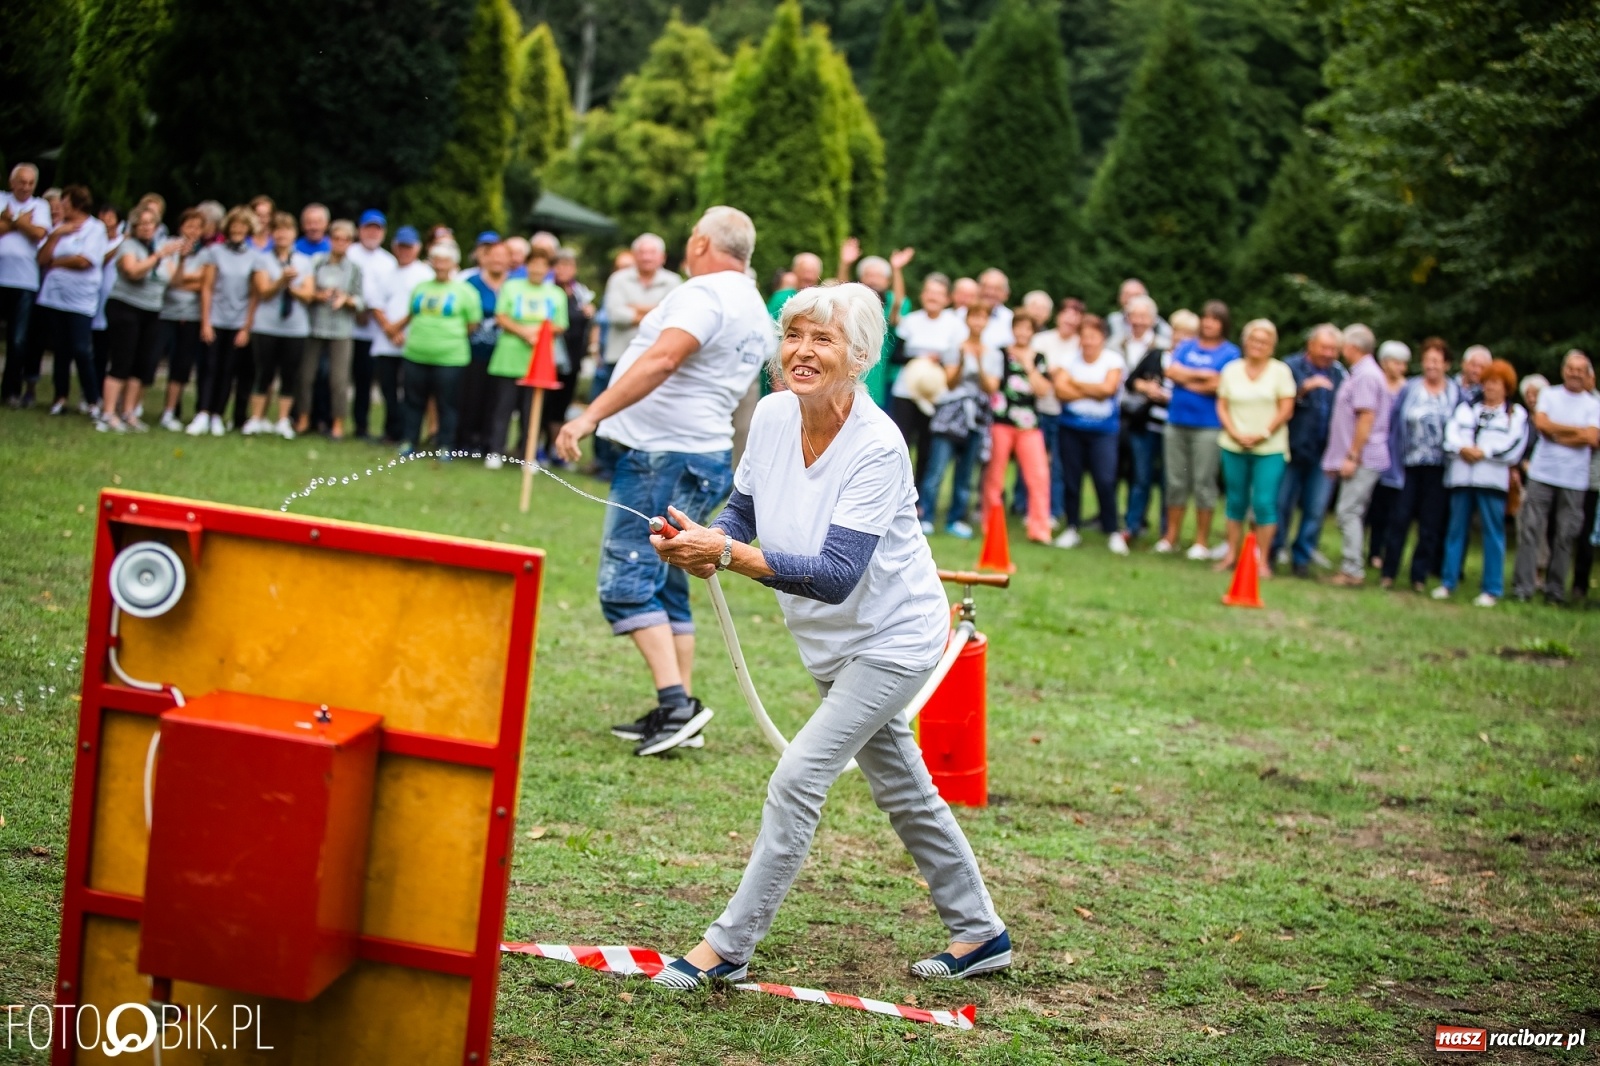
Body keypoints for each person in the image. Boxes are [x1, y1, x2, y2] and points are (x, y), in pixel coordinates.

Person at [646, 282, 1009, 988]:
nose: (803, 352)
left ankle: (728, 947)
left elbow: (838, 573)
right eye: (795, 335)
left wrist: (727, 555)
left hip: (893, 639)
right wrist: (705, 537)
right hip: (829, 641)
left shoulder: (877, 445)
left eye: (823, 339)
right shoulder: (777, 414)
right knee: (904, 789)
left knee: (798, 777)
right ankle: (980, 932)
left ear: (861, 356)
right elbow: (745, 510)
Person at [554, 206, 772, 756]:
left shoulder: (705, 293)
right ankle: (683, 712)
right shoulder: (751, 302)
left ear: (700, 241)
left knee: (626, 582)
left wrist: (589, 415)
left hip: (662, 456)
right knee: (670, 578)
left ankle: (675, 703)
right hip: (701, 453)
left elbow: (664, 358)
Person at [1435, 359, 1527, 606]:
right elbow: (1450, 436)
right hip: (1462, 477)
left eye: (1496, 383)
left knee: (1492, 533)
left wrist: (1483, 453)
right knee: (1456, 531)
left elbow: (1514, 447)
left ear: (1506, 387)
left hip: (1491, 480)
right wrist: (1462, 449)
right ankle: (1448, 581)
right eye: (1487, 382)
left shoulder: (1514, 414)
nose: (1490, 387)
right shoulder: (1467, 409)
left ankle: (1492, 588)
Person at [1512, 351, 1600, 603]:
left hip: (1575, 479)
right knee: (1530, 529)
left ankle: (1555, 591)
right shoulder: (1549, 395)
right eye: (1570, 368)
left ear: (1587, 375)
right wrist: (1577, 432)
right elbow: (1541, 424)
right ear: (1563, 370)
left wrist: (1558, 432)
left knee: (1565, 535)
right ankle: (1523, 588)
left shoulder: (1593, 404)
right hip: (1542, 473)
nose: (1574, 373)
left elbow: (1592, 438)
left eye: (1579, 370)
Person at [1213, 319, 1296, 575]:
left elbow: (1286, 408)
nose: (1258, 345)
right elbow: (1222, 404)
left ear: (1272, 346)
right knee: (1234, 501)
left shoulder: (1280, 371)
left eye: (1264, 341)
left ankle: (1262, 561)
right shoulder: (1231, 369)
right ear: (1245, 342)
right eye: (1253, 340)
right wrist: (1234, 431)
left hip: (1269, 448)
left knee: (1263, 502)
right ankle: (1231, 554)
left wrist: (1263, 433)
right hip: (1234, 444)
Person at [1378, 337, 1461, 591]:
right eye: (1427, 361)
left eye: (1436, 361)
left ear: (1446, 364)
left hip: (1438, 468)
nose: (1431, 366)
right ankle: (1388, 572)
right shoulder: (1410, 388)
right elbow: (1394, 422)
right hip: (1408, 465)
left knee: (1430, 523)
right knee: (1399, 518)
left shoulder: (1455, 392)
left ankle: (1419, 576)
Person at [1164, 300, 1239, 560]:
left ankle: (1200, 541)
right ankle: (1170, 537)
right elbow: (1172, 372)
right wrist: (1203, 376)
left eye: (1215, 319)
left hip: (1208, 425)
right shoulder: (1186, 346)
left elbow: (1221, 384)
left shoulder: (1230, 352)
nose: (1208, 323)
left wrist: (1189, 379)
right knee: (1175, 481)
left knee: (1203, 483)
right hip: (1176, 421)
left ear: (1223, 324)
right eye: (1205, 318)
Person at [1272, 323, 1347, 576]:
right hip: (1291, 448)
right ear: (1310, 345)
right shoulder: (1289, 367)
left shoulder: (1340, 374)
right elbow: (1277, 402)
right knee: (1281, 503)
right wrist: (1303, 389)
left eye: (1333, 349)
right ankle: (1273, 550)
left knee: (1315, 509)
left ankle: (1302, 558)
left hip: (1323, 453)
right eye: (1324, 347)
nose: (1328, 353)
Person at [1322, 324, 1394, 586]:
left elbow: (1366, 417)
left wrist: (1352, 455)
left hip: (1363, 457)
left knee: (1348, 512)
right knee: (1351, 511)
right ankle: (1351, 566)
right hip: (1361, 455)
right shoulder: (1363, 373)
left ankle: (1353, 570)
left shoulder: (1366, 376)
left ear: (1352, 347)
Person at [99, 204, 182, 431]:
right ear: (134, 226)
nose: (147, 228)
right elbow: (133, 272)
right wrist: (158, 256)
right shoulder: (128, 246)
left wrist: (179, 259)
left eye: (151, 224)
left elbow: (174, 280)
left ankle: (128, 413)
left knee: (142, 364)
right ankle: (107, 412)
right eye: (142, 223)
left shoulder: (162, 249)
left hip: (153, 311)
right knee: (121, 361)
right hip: (126, 308)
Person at [919, 303, 998, 538]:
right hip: (951, 415)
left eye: (982, 318)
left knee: (965, 474)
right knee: (937, 469)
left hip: (977, 418)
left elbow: (991, 387)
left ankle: (956, 519)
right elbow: (950, 382)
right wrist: (963, 361)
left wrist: (981, 363)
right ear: (967, 320)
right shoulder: (954, 348)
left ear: (987, 322)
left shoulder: (992, 353)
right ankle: (926, 517)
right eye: (974, 317)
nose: (978, 322)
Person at [396, 241, 481, 455]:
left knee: (448, 404)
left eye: (445, 261)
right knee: (413, 401)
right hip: (416, 353)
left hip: (450, 357)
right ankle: (409, 441)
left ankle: (445, 444)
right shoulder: (421, 288)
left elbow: (472, 324)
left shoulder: (465, 292)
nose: (441, 265)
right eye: (437, 261)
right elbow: (413, 314)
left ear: (454, 263)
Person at [485, 247, 567, 468]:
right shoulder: (511, 287)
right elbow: (501, 316)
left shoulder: (556, 294)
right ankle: (495, 451)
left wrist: (539, 336)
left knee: (532, 412)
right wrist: (525, 333)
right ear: (526, 266)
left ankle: (528, 454)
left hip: (538, 362)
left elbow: (560, 324)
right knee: (503, 407)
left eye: (543, 265)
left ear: (548, 269)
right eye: (534, 263)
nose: (537, 269)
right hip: (509, 357)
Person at [1051, 314, 1127, 553]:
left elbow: (1108, 389)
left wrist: (1076, 384)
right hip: (1071, 428)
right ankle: (1072, 527)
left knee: (1105, 480)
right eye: (1085, 337)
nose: (1089, 342)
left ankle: (1112, 530)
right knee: (1071, 480)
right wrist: (1091, 390)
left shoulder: (1113, 360)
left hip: (1103, 431)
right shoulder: (1068, 359)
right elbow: (1061, 392)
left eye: (1093, 337)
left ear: (1102, 338)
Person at [31, 185, 107, 417]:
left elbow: (85, 260)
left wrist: (57, 263)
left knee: (81, 349)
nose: (60, 207)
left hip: (81, 300)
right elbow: (42, 258)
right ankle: (60, 396)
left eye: (64, 203)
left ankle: (93, 399)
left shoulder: (95, 228)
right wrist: (55, 236)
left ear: (76, 204)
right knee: (61, 350)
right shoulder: (58, 228)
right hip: (54, 297)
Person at [982, 311, 1054, 543]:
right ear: (1013, 329)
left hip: (1030, 424)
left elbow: (1043, 390)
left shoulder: (1040, 358)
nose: (1023, 332)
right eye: (1019, 327)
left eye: (1028, 328)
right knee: (995, 475)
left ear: (1033, 332)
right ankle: (990, 525)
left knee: (1039, 476)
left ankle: (1039, 528)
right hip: (1002, 422)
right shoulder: (1000, 354)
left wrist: (1028, 365)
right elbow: (992, 386)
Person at [190, 206, 261, 436]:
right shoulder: (215, 252)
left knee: (228, 370)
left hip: (238, 321)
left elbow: (254, 295)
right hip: (216, 318)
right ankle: (202, 411)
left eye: (243, 226)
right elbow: (207, 288)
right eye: (235, 225)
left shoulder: (254, 257)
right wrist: (206, 322)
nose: (238, 229)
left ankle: (218, 415)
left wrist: (246, 327)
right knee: (209, 366)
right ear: (228, 227)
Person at [244, 212, 315, 439]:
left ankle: (283, 419)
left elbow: (309, 294)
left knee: (289, 374)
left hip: (295, 327)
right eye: (278, 229)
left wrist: (292, 287)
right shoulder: (261, 259)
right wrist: (281, 281)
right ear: (272, 233)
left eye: (287, 229)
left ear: (294, 233)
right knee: (263, 372)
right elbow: (263, 291)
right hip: (266, 325)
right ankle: (257, 418)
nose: (282, 234)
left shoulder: (304, 261)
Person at [890, 272, 963, 486]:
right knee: (900, 443)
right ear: (922, 295)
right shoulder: (910, 321)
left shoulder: (955, 325)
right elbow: (896, 356)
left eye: (938, 294)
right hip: (905, 391)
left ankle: (918, 496)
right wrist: (920, 357)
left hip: (935, 395)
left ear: (947, 299)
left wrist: (939, 362)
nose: (933, 297)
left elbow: (956, 360)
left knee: (927, 446)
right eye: (929, 292)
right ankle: (894, 489)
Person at [296, 219, 364, 440]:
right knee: (306, 375)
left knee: (339, 380)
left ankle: (338, 423)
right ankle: (303, 418)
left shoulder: (354, 269)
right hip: (315, 325)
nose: (341, 243)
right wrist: (319, 295)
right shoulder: (317, 262)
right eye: (337, 238)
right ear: (330, 239)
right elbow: (305, 290)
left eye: (346, 239)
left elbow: (361, 300)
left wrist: (347, 300)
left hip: (341, 329)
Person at [369, 226, 431, 444]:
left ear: (418, 248)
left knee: (411, 392)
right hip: (385, 342)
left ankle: (407, 432)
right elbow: (376, 303)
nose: (404, 251)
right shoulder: (386, 271)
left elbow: (419, 307)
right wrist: (388, 328)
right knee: (388, 390)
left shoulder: (425, 274)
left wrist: (397, 328)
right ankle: (390, 430)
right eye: (401, 246)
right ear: (394, 246)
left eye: (409, 247)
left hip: (411, 342)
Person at [1120, 296, 1174, 542]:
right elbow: (1132, 379)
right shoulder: (1154, 353)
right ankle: (1132, 526)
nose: (1139, 321)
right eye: (1135, 315)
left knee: (1167, 481)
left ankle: (1166, 532)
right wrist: (1147, 388)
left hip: (1172, 426)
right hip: (1142, 421)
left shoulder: (1164, 348)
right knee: (1139, 477)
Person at [0, 163, 54, 407]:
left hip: (24, 282)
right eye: (22, 182)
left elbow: (39, 234)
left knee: (18, 339)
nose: (26, 187)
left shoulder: (41, 206)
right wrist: (23, 223)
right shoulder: (1, 198)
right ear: (12, 182)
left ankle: (10, 390)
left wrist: (11, 220)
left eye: (31, 183)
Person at [838, 238, 913, 407]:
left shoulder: (890, 306)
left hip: (879, 377)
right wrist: (845, 264)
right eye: (868, 275)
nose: (873, 280)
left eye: (878, 276)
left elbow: (898, 305)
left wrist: (897, 270)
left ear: (887, 281)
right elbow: (840, 293)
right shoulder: (854, 304)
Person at [1030, 297, 1085, 526]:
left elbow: (1076, 379)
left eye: (1076, 315)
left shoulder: (1082, 345)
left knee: (1059, 465)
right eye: (1067, 313)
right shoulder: (1042, 339)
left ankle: (1054, 510)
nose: (1070, 319)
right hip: (1039, 408)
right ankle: (1027, 508)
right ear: (1058, 316)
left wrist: (1060, 377)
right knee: (1034, 463)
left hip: (1065, 411)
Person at [156, 208, 208, 431]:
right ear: (181, 226)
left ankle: (170, 411)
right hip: (165, 313)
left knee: (181, 366)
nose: (193, 231)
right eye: (189, 225)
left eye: (198, 227)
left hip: (191, 316)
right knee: (150, 360)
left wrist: (183, 277)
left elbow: (206, 283)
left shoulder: (207, 253)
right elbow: (171, 280)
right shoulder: (168, 246)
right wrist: (184, 267)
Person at [347, 209, 397, 440]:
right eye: (368, 227)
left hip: (375, 332)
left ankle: (363, 426)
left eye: (377, 229)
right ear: (360, 230)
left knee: (367, 381)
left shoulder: (388, 262)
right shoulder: (349, 253)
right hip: (347, 328)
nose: (372, 232)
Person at [1364, 340, 1413, 570]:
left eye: (1404, 363)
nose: (1400, 367)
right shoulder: (1376, 383)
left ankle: (1384, 551)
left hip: (1397, 456)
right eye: (1396, 362)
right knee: (1374, 506)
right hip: (1373, 451)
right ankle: (1371, 550)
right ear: (1384, 362)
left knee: (1393, 507)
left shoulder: (1409, 388)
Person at [456, 240, 508, 452]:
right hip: (473, 351)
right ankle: (465, 441)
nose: (497, 260)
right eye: (492, 255)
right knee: (470, 397)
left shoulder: (513, 285)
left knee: (494, 401)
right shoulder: (471, 282)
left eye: (501, 256)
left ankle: (487, 443)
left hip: (501, 353)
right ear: (484, 258)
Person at [546, 248, 594, 463]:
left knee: (561, 405)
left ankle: (556, 451)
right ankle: (537, 447)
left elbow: (589, 324)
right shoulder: (547, 291)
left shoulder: (581, 293)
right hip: (549, 358)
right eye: (559, 265)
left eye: (568, 265)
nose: (563, 269)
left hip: (572, 359)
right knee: (544, 404)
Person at [1106, 277, 1172, 351]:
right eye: (1127, 294)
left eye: (1136, 295)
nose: (1131, 299)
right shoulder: (1111, 320)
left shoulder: (1159, 324)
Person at [765, 252, 823, 317]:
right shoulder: (781, 298)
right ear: (794, 272)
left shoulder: (822, 302)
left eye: (813, 271)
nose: (808, 276)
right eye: (804, 271)